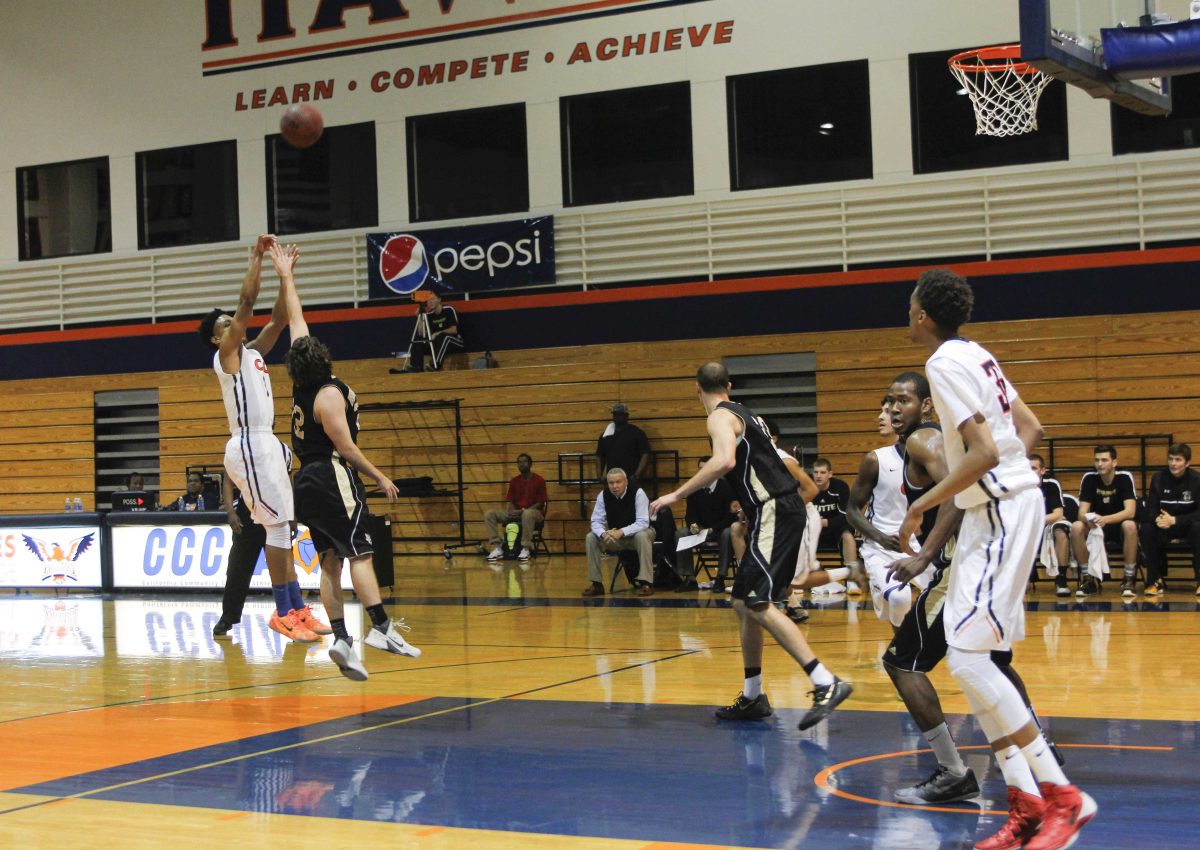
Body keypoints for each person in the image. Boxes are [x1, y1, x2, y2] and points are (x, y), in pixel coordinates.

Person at [895, 269, 1094, 850]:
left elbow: (983, 451)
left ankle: (1061, 796)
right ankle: (1025, 802)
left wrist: (922, 508)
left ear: (924, 315)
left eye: (910, 306)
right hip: (996, 511)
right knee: (969, 660)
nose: (907, 314)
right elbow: (1028, 428)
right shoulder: (978, 354)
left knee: (969, 661)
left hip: (1002, 512)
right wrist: (1002, 473)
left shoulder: (942, 364)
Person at [883, 371, 1062, 807]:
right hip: (994, 554)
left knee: (902, 662)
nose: (892, 409)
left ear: (927, 405)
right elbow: (1030, 431)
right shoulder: (959, 433)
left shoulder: (923, 441)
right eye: (889, 401)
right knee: (994, 661)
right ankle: (1038, 747)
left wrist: (925, 555)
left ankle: (952, 771)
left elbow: (956, 494)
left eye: (902, 400)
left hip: (963, 568)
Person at [650, 363, 852, 732]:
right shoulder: (750, 414)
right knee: (743, 602)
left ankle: (825, 681)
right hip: (777, 509)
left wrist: (677, 494)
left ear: (697, 390)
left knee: (759, 602)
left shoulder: (719, 418)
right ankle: (753, 695)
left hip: (774, 508)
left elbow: (724, 460)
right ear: (728, 385)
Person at [273, 242, 422, 681]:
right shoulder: (329, 394)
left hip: (305, 483)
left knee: (329, 563)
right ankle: (381, 628)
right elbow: (348, 450)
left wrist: (286, 276)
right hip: (333, 475)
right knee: (361, 554)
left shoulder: (303, 382)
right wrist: (380, 476)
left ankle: (341, 640)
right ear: (323, 359)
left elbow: (295, 317)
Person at [197, 234, 328, 644]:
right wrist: (256, 257)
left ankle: (296, 610)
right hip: (249, 445)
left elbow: (277, 319)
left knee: (282, 528)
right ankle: (284, 612)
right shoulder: (226, 356)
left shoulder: (253, 352)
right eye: (225, 325)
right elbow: (248, 306)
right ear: (219, 338)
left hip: (268, 445)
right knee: (274, 528)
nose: (233, 324)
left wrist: (286, 276)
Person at [848, 392, 932, 628]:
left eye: (889, 411)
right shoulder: (876, 460)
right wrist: (882, 539)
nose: (882, 417)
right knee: (899, 598)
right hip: (881, 545)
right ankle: (901, 651)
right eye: (885, 411)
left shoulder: (930, 456)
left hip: (915, 544)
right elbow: (852, 509)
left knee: (949, 596)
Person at [1070, 445, 1137, 597]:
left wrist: (1106, 519)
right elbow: (1081, 512)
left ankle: (1129, 578)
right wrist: (1089, 520)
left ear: (1114, 462)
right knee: (1076, 526)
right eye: (1097, 460)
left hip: (1117, 525)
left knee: (1130, 525)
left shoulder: (1124, 477)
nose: (1100, 464)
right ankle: (1088, 579)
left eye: (1104, 460)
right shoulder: (1089, 478)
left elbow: (1130, 511)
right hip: (1095, 526)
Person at [582, 468, 656, 597]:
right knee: (591, 537)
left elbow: (643, 522)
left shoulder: (638, 493)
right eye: (611, 483)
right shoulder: (603, 495)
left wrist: (622, 531)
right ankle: (597, 584)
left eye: (618, 482)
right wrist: (603, 534)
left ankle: (646, 583)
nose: (614, 486)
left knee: (642, 535)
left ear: (626, 481)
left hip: (639, 535)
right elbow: (595, 521)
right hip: (616, 537)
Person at [1139, 442, 1200, 597]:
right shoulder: (1158, 478)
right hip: (1164, 525)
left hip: (1188, 526)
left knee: (1198, 528)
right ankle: (1154, 581)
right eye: (1171, 459)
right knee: (1147, 529)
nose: (1173, 463)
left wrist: (1176, 520)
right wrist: (1159, 520)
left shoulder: (1197, 480)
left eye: (1178, 460)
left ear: (1187, 462)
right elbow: (1150, 510)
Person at [213, 473, 266, 638]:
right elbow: (228, 481)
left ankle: (294, 617)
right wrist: (231, 511)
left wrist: (291, 514)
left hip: (275, 512)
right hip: (247, 511)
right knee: (237, 569)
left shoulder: (279, 451)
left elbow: (287, 484)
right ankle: (228, 617)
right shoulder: (240, 449)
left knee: (284, 572)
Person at [679, 456, 739, 591]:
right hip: (700, 531)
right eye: (700, 469)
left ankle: (720, 578)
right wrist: (694, 528)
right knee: (681, 532)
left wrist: (712, 529)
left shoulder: (726, 487)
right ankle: (689, 578)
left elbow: (731, 517)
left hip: (719, 530)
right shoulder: (694, 488)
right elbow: (690, 516)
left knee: (729, 532)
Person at [484, 453, 548, 562]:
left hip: (534, 513)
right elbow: (511, 501)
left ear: (530, 464)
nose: (522, 464)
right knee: (490, 514)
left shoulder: (539, 480)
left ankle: (526, 548)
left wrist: (523, 511)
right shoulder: (514, 481)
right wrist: (512, 511)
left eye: (524, 461)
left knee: (527, 514)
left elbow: (541, 502)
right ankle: (497, 548)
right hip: (517, 512)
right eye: (519, 462)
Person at [1029, 454, 1073, 597]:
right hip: (1028, 528)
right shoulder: (1018, 485)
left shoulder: (1051, 483)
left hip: (1047, 525)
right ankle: (1023, 577)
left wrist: (1034, 520)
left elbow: (1058, 514)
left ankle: (1061, 579)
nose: (1029, 472)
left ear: (1042, 471)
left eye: (1033, 468)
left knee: (1061, 532)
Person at [392, 293, 463, 373]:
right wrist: (420, 317)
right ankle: (416, 367)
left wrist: (437, 333)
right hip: (437, 344)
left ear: (439, 300)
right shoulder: (429, 314)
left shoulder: (448, 309)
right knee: (418, 340)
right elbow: (421, 334)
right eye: (428, 300)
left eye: (432, 299)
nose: (430, 302)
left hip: (454, 342)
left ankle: (436, 365)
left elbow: (454, 330)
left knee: (444, 336)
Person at [810, 458, 856, 566]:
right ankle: (798, 574)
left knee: (847, 535)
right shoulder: (807, 487)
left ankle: (852, 576)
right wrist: (814, 522)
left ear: (830, 474)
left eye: (822, 472)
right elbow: (798, 515)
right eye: (816, 472)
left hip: (835, 527)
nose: (818, 476)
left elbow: (845, 516)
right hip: (812, 528)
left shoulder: (840, 487)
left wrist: (824, 522)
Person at [596, 402, 651, 487]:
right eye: (615, 415)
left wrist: (637, 475)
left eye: (620, 414)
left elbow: (645, 454)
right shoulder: (606, 435)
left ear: (627, 416)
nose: (617, 417)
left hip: (631, 479)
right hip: (612, 480)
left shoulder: (636, 433)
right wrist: (599, 475)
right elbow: (599, 455)